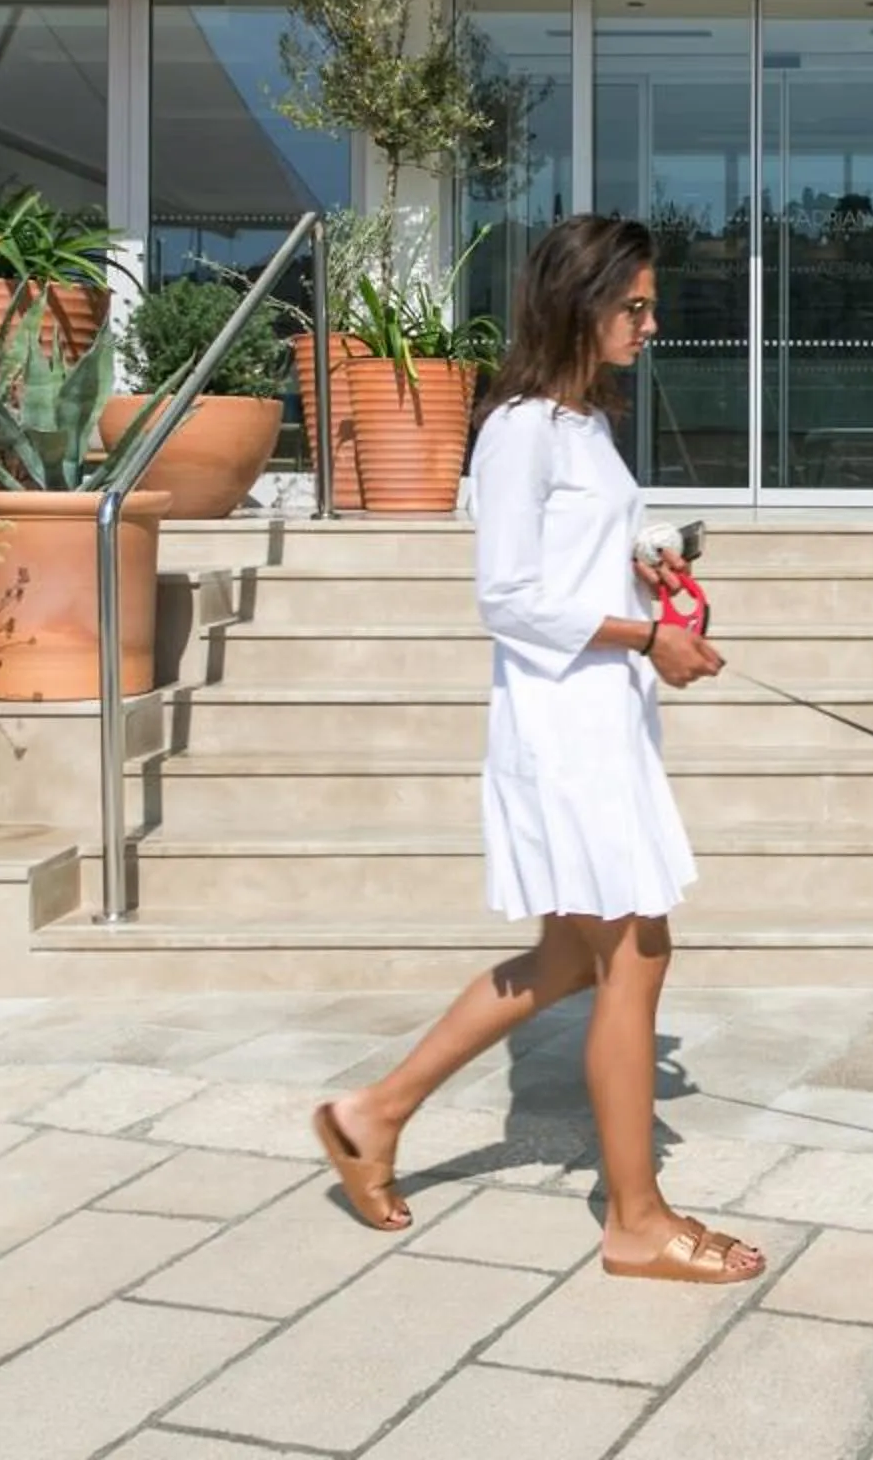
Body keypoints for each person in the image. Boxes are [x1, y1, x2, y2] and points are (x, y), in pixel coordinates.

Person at [307, 214, 761, 1285]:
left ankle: (372, 1112)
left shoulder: (583, 425)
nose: (652, 322)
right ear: (580, 301)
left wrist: (645, 580)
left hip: (603, 710)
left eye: (652, 305)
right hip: (563, 725)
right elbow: (506, 599)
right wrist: (650, 634)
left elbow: (568, 569)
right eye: (636, 305)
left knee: (570, 954)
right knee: (637, 949)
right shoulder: (517, 428)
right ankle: (635, 1220)